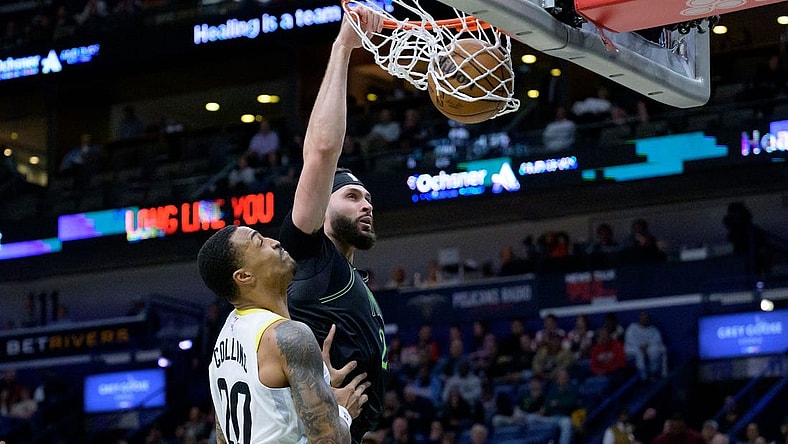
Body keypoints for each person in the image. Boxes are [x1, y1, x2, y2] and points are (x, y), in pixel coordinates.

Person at [278, 9, 386, 443]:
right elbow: (322, 152)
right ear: (322, 208)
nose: (366, 206)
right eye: (352, 196)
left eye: (369, 199)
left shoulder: (345, 274)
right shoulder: (308, 255)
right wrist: (344, 47)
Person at [197, 225, 370, 443]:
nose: (274, 241)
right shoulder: (288, 335)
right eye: (259, 242)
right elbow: (330, 440)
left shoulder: (222, 342)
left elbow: (225, 437)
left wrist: (321, 386)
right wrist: (343, 412)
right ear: (244, 276)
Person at [624, 310, 667, 381]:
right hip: (633, 348)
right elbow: (629, 339)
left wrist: (647, 346)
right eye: (642, 317)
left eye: (646, 317)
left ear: (649, 319)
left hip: (648, 348)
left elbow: (657, 341)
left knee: (655, 350)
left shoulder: (653, 330)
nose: (644, 319)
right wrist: (639, 346)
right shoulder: (632, 327)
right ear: (639, 318)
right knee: (638, 352)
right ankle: (643, 376)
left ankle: (654, 373)